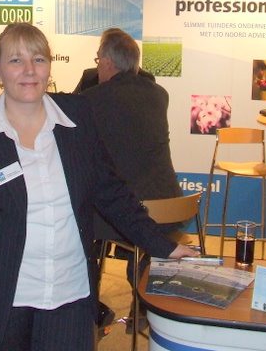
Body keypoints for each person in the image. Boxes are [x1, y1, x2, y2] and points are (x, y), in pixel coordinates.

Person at [0, 23, 197, 351]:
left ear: (49, 66)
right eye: (16, 60)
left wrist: (162, 245)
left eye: (38, 59)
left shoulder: (76, 117)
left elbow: (111, 192)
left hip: (69, 297)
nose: (29, 70)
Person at [81, 28, 184, 332]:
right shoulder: (159, 95)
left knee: (79, 225)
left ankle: (90, 312)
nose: (98, 67)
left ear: (108, 63)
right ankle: (141, 308)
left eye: (98, 61)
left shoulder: (91, 100)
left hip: (132, 214)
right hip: (171, 207)